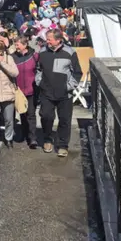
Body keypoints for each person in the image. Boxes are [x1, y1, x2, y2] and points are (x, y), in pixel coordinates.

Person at [36, 29, 83, 157]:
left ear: (58, 40)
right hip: (46, 92)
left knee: (64, 120)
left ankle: (63, 145)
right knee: (46, 116)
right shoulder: (42, 51)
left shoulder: (70, 52)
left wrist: (68, 87)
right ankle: (48, 139)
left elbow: (77, 73)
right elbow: (38, 69)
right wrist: (39, 82)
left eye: (49, 39)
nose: (47, 41)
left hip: (65, 94)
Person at [13, 36, 40, 149]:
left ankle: (32, 138)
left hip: (31, 89)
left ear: (25, 45)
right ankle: (24, 134)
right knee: (22, 113)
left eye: (17, 44)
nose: (16, 46)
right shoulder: (13, 57)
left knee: (31, 114)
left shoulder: (34, 56)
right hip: (19, 90)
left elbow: (39, 70)